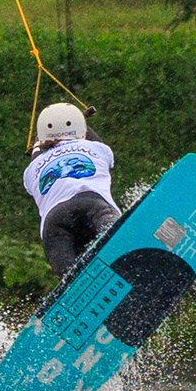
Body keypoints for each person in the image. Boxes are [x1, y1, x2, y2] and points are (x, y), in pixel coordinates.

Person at [24, 102, 119, 277]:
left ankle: (71, 288)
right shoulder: (98, 148)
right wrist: (82, 122)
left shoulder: (30, 171)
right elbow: (91, 139)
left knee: (71, 281)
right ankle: (125, 256)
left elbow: (37, 154)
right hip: (93, 205)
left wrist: (40, 144)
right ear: (82, 131)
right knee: (116, 244)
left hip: (55, 222)